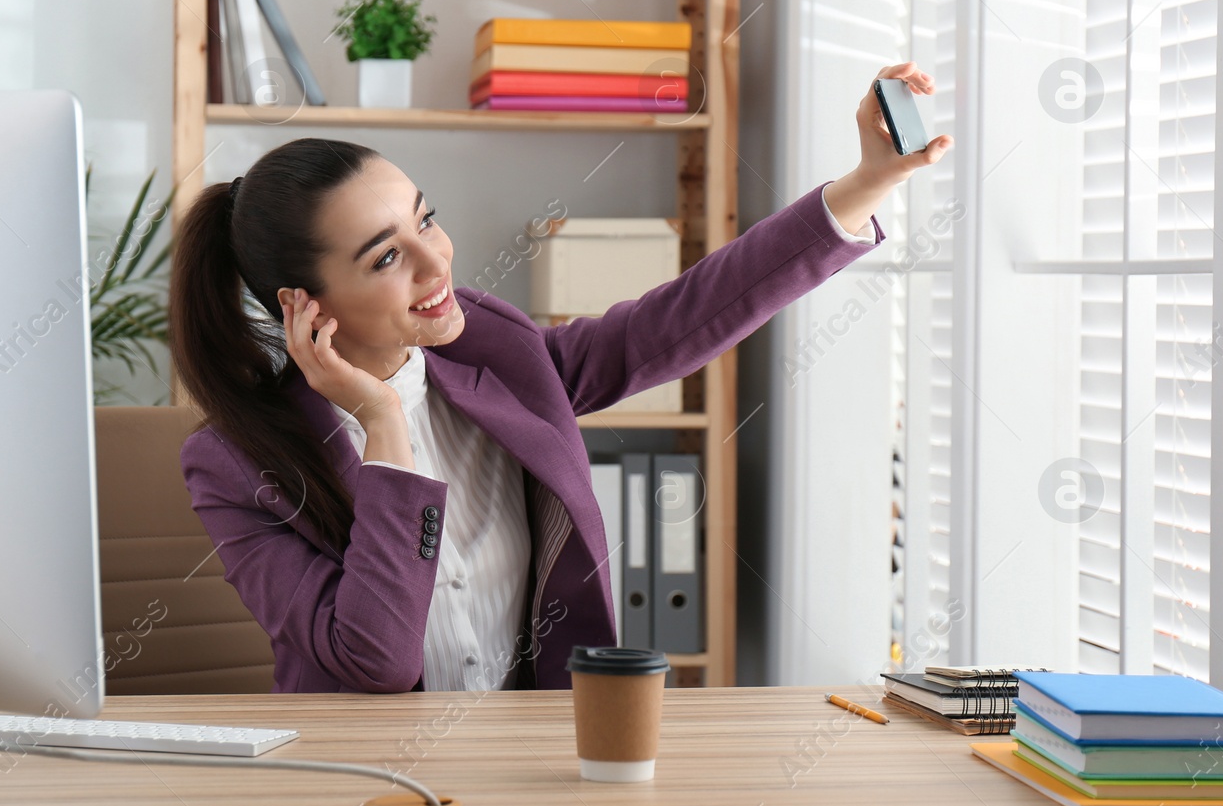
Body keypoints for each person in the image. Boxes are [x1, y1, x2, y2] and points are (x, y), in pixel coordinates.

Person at [171, 62, 952, 693]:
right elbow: (375, 661)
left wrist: (869, 182)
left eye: (426, 220)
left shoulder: (495, 356)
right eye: (385, 257)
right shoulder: (236, 465)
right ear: (304, 305)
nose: (435, 260)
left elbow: (681, 318)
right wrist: (382, 422)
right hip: (364, 780)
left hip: (535, 765)